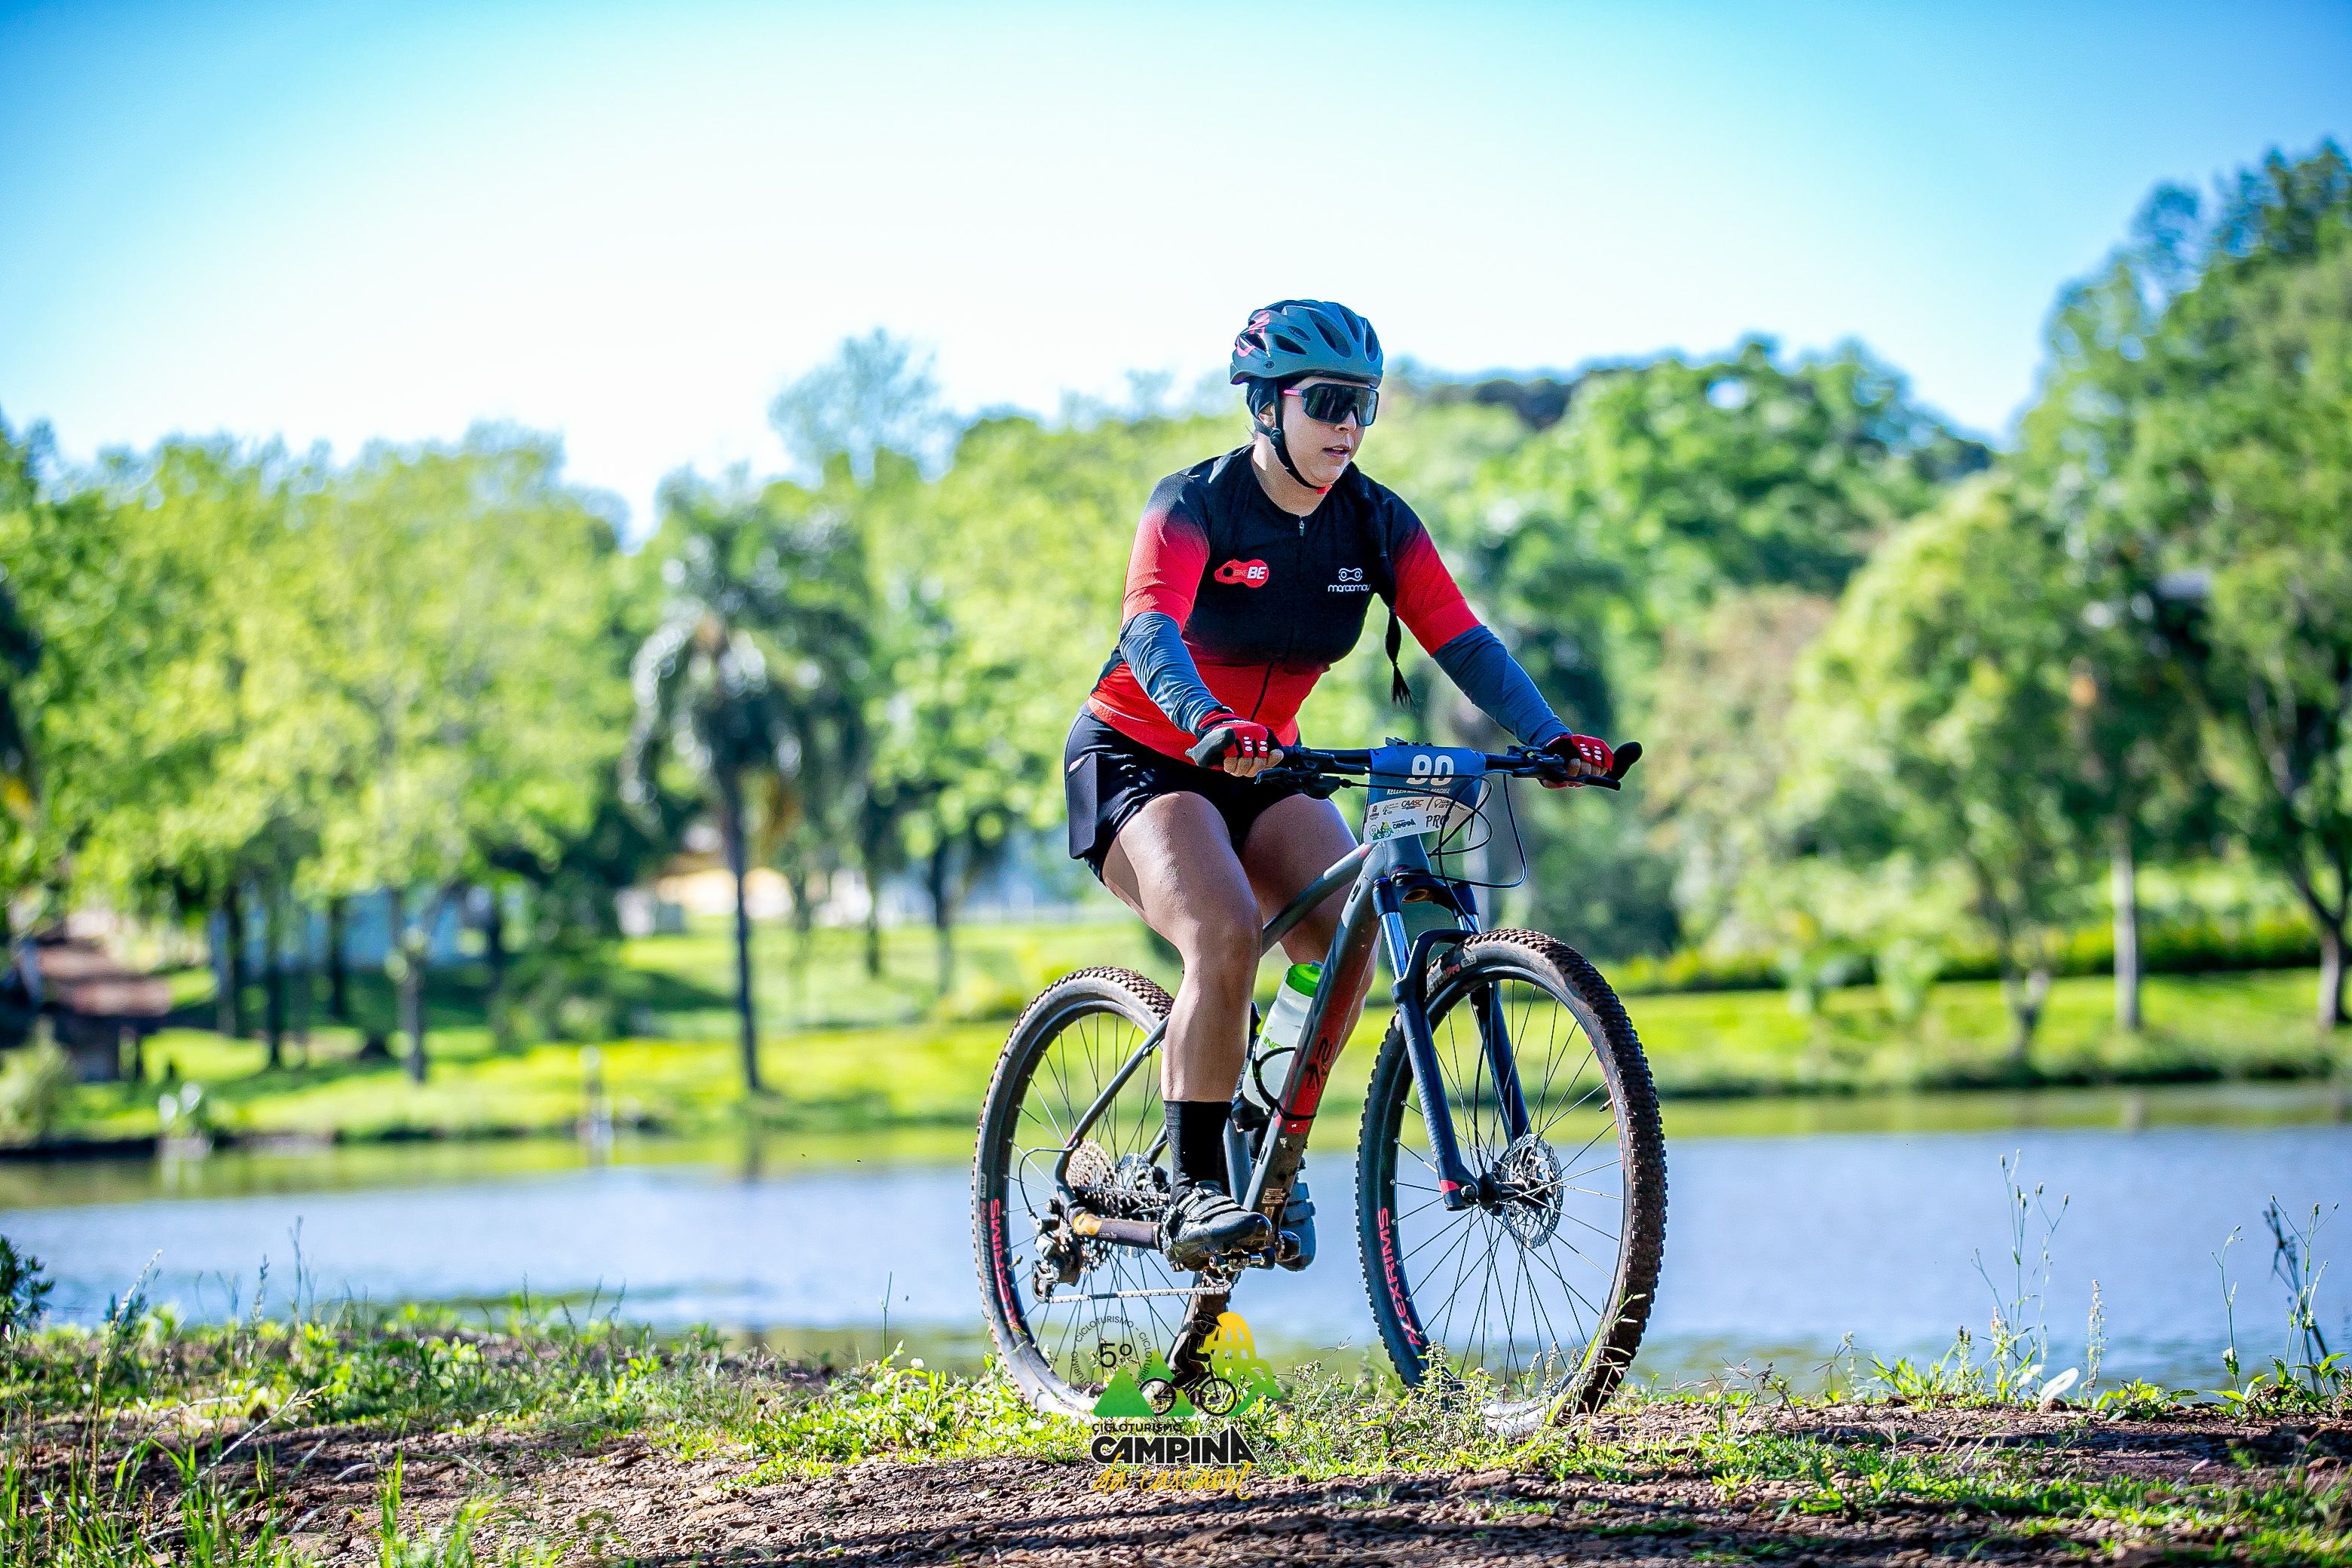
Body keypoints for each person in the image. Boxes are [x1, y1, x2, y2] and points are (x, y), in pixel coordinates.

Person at [1064, 299, 1615, 1268]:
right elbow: (1150, 628)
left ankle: (1257, 1117)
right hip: (1143, 754)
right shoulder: (1192, 505)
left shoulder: (1374, 521)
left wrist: (1549, 737)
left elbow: (1462, 639)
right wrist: (1203, 719)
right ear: (1266, 406)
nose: (1350, 424)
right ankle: (1194, 1186)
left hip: (1266, 759)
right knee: (1224, 931)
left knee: (1346, 944)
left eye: (1366, 403)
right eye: (1327, 402)